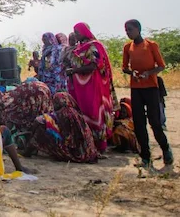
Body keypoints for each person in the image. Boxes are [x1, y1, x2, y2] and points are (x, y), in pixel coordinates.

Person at [122, 19, 173, 172]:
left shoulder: (151, 45)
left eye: (130, 29)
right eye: (126, 30)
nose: (128, 32)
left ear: (138, 29)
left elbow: (161, 66)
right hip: (136, 88)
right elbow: (125, 67)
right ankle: (145, 157)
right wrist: (133, 73)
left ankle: (166, 150)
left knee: (155, 123)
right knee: (139, 124)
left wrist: (148, 74)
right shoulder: (127, 47)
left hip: (151, 88)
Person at [67, 22, 115, 153]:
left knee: (95, 111)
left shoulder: (94, 46)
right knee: (83, 111)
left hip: (93, 85)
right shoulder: (79, 47)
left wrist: (74, 71)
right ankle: (88, 141)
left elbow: (94, 66)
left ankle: (101, 144)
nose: (76, 35)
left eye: (77, 32)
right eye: (74, 32)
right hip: (81, 86)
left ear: (85, 31)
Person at [30, 92, 98, 163]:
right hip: (86, 151)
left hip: (73, 152)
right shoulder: (76, 113)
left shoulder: (63, 113)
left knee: (41, 129)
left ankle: (29, 150)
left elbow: (38, 120)